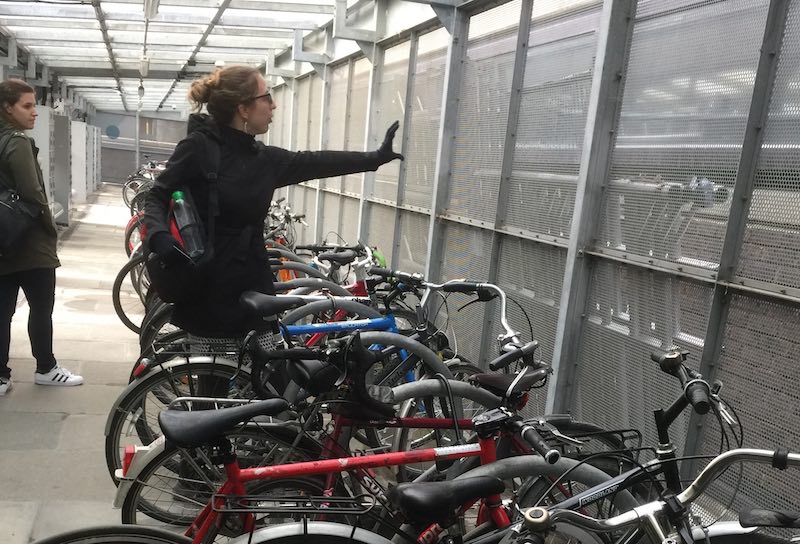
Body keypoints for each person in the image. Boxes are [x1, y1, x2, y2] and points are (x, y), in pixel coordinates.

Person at [143, 65, 403, 377]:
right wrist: (159, 236)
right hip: (209, 290)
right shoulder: (199, 147)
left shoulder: (261, 158)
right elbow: (157, 196)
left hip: (252, 286)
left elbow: (313, 162)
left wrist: (373, 159)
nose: (274, 105)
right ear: (243, 108)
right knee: (213, 394)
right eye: (267, 97)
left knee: (266, 385)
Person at [0, 79, 83, 395]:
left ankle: (0, 375)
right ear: (8, 108)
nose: (35, 112)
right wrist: (50, 227)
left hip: (2, 240)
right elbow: (33, 192)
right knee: (40, 307)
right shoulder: (16, 142)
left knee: (2, 311)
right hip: (29, 241)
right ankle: (46, 368)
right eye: (27, 105)